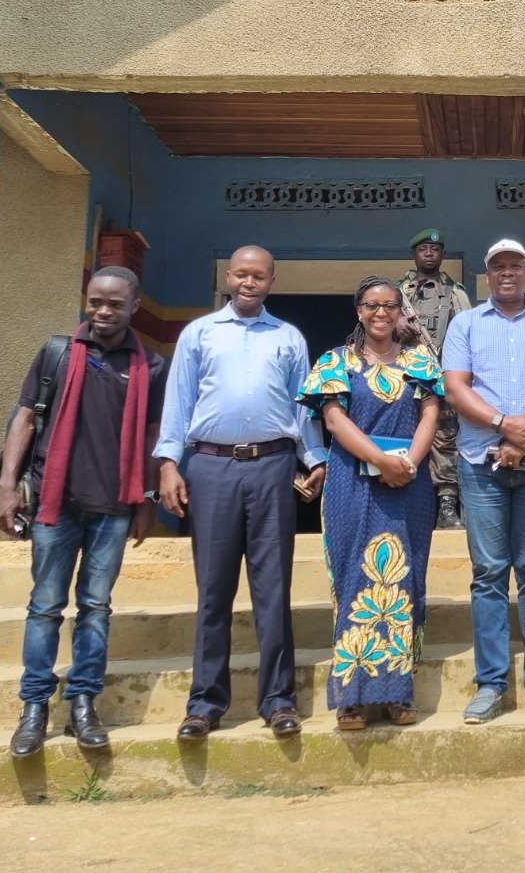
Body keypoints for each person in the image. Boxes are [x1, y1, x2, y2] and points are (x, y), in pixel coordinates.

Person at [155, 245, 329, 740]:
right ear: (228, 278)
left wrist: (313, 457)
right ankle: (205, 704)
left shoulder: (288, 338)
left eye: (258, 276)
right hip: (211, 468)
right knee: (213, 591)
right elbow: (179, 400)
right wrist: (169, 464)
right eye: (240, 274)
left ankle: (278, 700)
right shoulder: (199, 334)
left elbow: (303, 406)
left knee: (273, 588)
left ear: (272, 281)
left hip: (273, 466)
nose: (249, 282)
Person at [0, 266, 167, 758]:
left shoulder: (150, 367)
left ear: (135, 307)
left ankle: (84, 704)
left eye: (114, 304)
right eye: (95, 302)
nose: (103, 312)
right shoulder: (59, 353)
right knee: (45, 607)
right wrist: (8, 488)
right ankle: (33, 709)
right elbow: (26, 417)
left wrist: (147, 499)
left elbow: (153, 436)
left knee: (95, 608)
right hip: (55, 502)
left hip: (113, 506)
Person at [442, 238, 525, 725]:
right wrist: (503, 424)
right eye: (497, 266)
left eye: (515, 266)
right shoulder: (465, 323)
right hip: (481, 463)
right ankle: (490, 684)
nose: (506, 273)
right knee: (489, 575)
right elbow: (455, 387)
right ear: (486, 274)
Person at [299, 276, 442, 730]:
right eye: (372, 305)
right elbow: (334, 420)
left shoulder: (421, 362)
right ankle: (352, 699)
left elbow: (431, 415)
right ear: (358, 310)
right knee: (354, 581)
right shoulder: (334, 362)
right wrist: (380, 459)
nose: (381, 313)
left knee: (405, 579)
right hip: (352, 482)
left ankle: (398, 694)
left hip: (409, 483)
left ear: (402, 312)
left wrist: (409, 464)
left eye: (390, 306)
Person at [399, 227, 472, 530]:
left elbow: (470, 336)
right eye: (423, 249)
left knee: (446, 439)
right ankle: (406, 504)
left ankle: (446, 507)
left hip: (441, 378)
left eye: (435, 249)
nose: (429, 254)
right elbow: (371, 328)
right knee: (404, 436)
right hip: (403, 378)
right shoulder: (396, 292)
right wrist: (396, 326)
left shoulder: (456, 293)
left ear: (442, 254)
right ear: (414, 254)